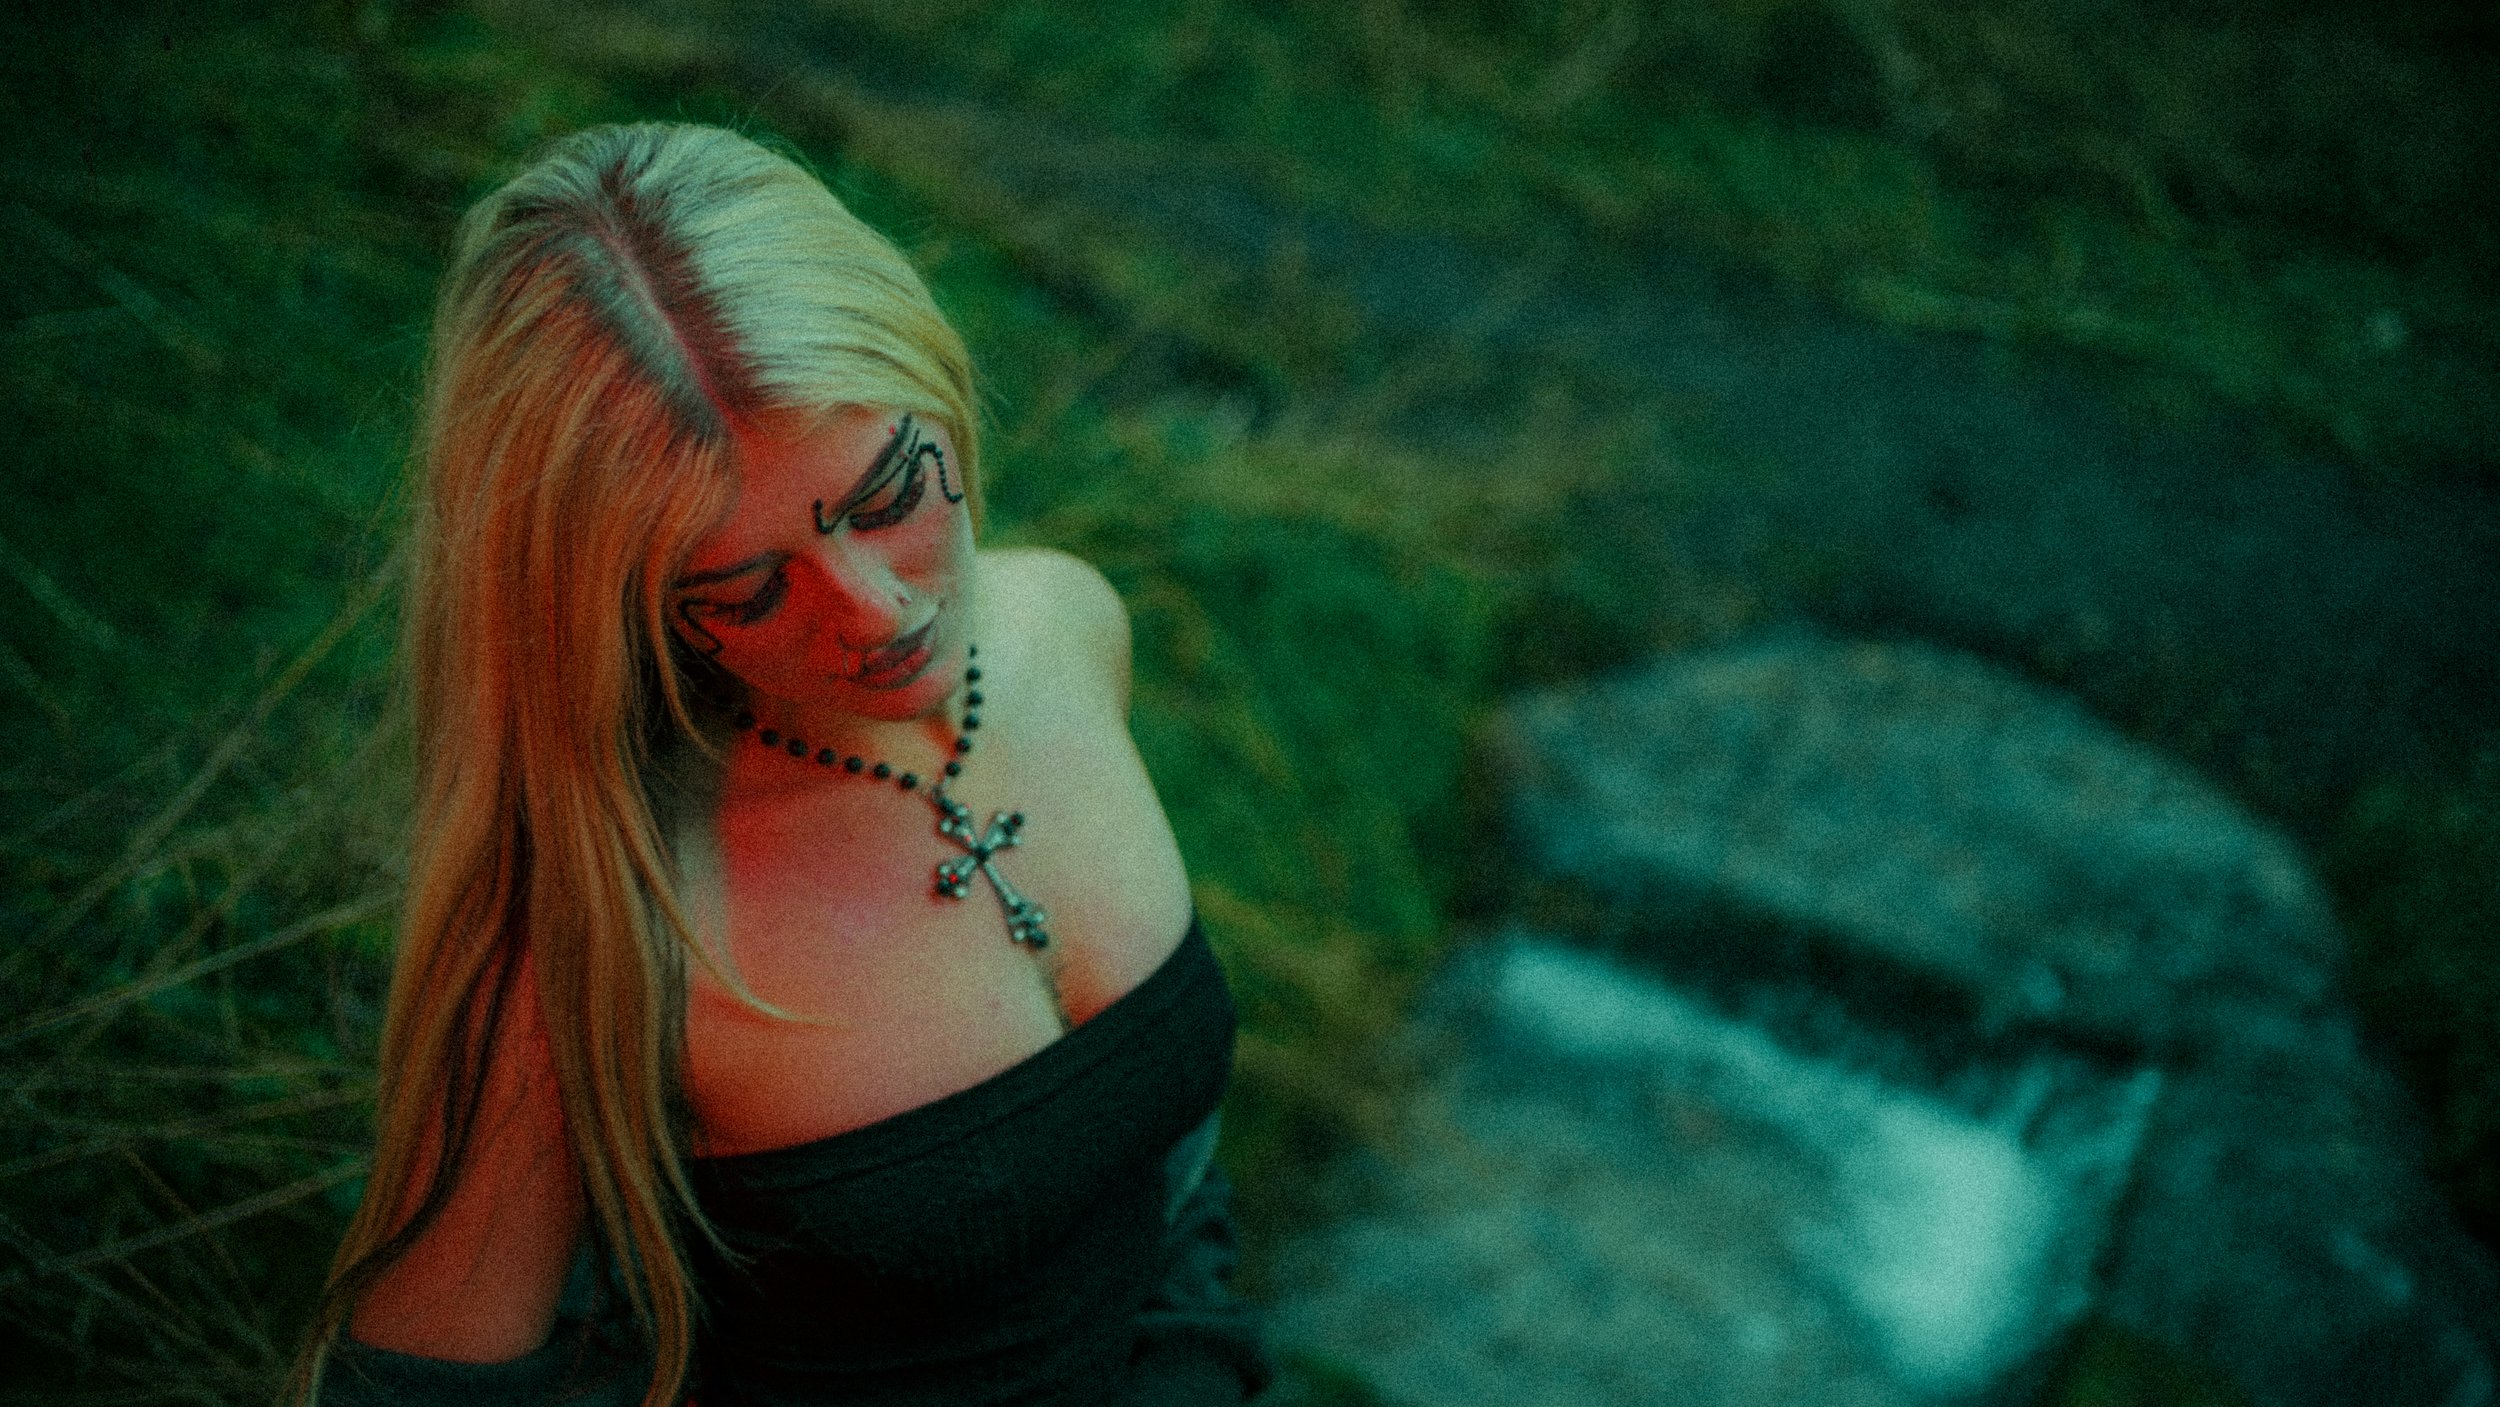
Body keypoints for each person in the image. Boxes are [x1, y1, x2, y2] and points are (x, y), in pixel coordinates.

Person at [287, 122, 1273, 1407]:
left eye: (888, 493)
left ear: (932, 374)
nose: (875, 613)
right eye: (747, 587)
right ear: (619, 609)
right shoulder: (601, 919)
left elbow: (1162, 1175)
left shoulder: (1063, 624)